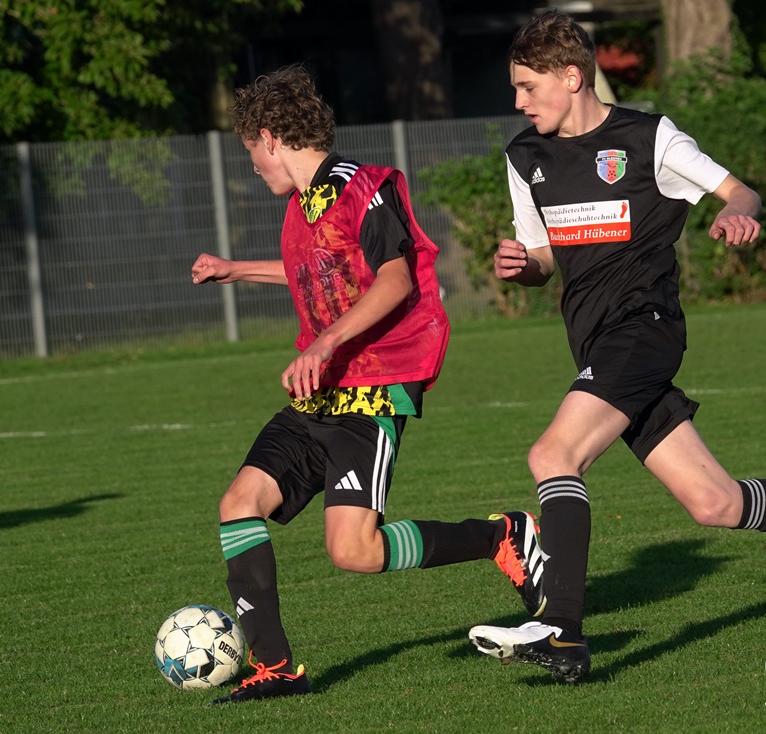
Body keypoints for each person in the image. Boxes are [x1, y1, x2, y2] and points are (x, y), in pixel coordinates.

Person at [467, 10, 766, 685]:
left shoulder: (648, 138)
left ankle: (563, 631)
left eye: (527, 86)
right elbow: (544, 256)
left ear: (571, 77)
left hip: (644, 329)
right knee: (714, 503)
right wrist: (523, 266)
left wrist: (736, 213)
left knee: (554, 454)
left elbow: (741, 191)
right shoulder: (526, 156)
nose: (519, 102)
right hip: (594, 344)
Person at [191, 65, 546, 704]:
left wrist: (325, 341)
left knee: (354, 552)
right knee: (238, 503)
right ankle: (276, 668)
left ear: (270, 138)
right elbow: (317, 270)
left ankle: (503, 536)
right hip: (318, 392)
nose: (254, 168)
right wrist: (235, 270)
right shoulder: (302, 208)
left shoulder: (364, 187)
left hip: (372, 391)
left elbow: (395, 279)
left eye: (251, 154)